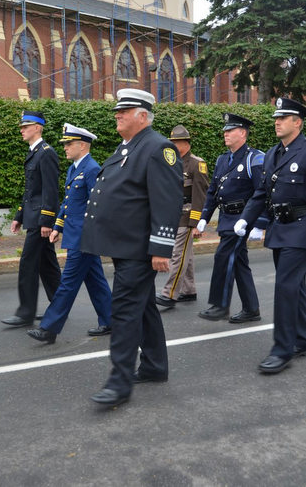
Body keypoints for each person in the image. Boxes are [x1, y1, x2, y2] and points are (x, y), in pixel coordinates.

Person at [81, 88, 183, 407]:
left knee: (124, 311)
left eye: (124, 110)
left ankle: (119, 382)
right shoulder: (127, 148)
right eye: (118, 110)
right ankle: (154, 366)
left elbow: (167, 202)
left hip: (140, 249)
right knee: (143, 307)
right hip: (124, 246)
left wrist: (161, 249)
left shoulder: (158, 148)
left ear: (143, 116)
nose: (117, 114)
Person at [234, 98, 306, 373]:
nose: (277, 121)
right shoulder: (274, 153)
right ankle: (301, 337)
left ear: (297, 122)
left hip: (300, 230)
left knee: (285, 287)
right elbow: (262, 193)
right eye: (276, 117)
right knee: (296, 287)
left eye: (283, 118)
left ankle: (282, 350)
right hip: (279, 230)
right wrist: (245, 220)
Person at [27, 124, 112, 344]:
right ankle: (110, 320)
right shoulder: (74, 168)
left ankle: (49, 328)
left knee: (67, 283)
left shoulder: (92, 168)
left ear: (82, 145)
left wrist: (90, 234)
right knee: (95, 280)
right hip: (75, 234)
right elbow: (68, 202)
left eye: (69, 144)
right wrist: (58, 226)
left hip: (83, 236)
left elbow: (99, 205)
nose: (64, 147)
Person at [197, 113, 268, 322]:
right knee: (238, 263)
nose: (225, 134)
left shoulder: (254, 158)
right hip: (226, 218)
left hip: (242, 220)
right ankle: (251, 309)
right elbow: (213, 190)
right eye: (225, 131)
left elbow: (262, 192)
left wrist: (259, 223)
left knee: (223, 257)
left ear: (243, 133)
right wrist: (204, 217)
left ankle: (220, 305)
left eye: (230, 130)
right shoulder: (222, 159)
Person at [1, 111, 61, 327]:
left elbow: (50, 191)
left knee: (28, 263)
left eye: (26, 126)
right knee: (47, 264)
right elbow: (31, 191)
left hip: (39, 221)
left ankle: (25, 313)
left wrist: (46, 221)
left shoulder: (46, 153)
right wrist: (19, 216)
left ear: (37, 127)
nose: (21, 130)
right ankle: (59, 306)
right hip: (33, 216)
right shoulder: (35, 152)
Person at [156, 125, 209, 308]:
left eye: (176, 142)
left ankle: (169, 293)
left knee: (177, 255)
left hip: (187, 217)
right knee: (187, 255)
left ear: (185, 143)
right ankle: (188, 289)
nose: (173, 145)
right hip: (174, 215)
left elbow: (200, 196)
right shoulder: (172, 162)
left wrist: (196, 224)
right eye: (172, 142)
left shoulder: (196, 164)